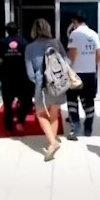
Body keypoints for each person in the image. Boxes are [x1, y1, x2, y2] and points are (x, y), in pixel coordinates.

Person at [25, 18, 67, 161]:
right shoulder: (56, 43)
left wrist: (38, 80)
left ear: (34, 31)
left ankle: (53, 143)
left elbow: (30, 73)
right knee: (54, 114)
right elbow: (67, 61)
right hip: (57, 84)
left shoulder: (29, 48)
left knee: (41, 114)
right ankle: (52, 142)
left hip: (41, 85)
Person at [66, 11, 100, 141]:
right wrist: (92, 65)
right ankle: (88, 127)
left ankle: (75, 126)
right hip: (90, 73)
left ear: (75, 21)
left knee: (72, 100)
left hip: (76, 74)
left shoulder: (75, 34)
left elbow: (72, 54)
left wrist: (68, 68)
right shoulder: (94, 34)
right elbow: (99, 54)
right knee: (89, 100)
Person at [0, 22, 33, 134]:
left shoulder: (2, 42)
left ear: (7, 31)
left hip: (7, 75)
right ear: (17, 30)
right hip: (21, 75)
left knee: (7, 102)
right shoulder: (24, 42)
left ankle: (8, 125)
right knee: (25, 99)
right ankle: (20, 119)